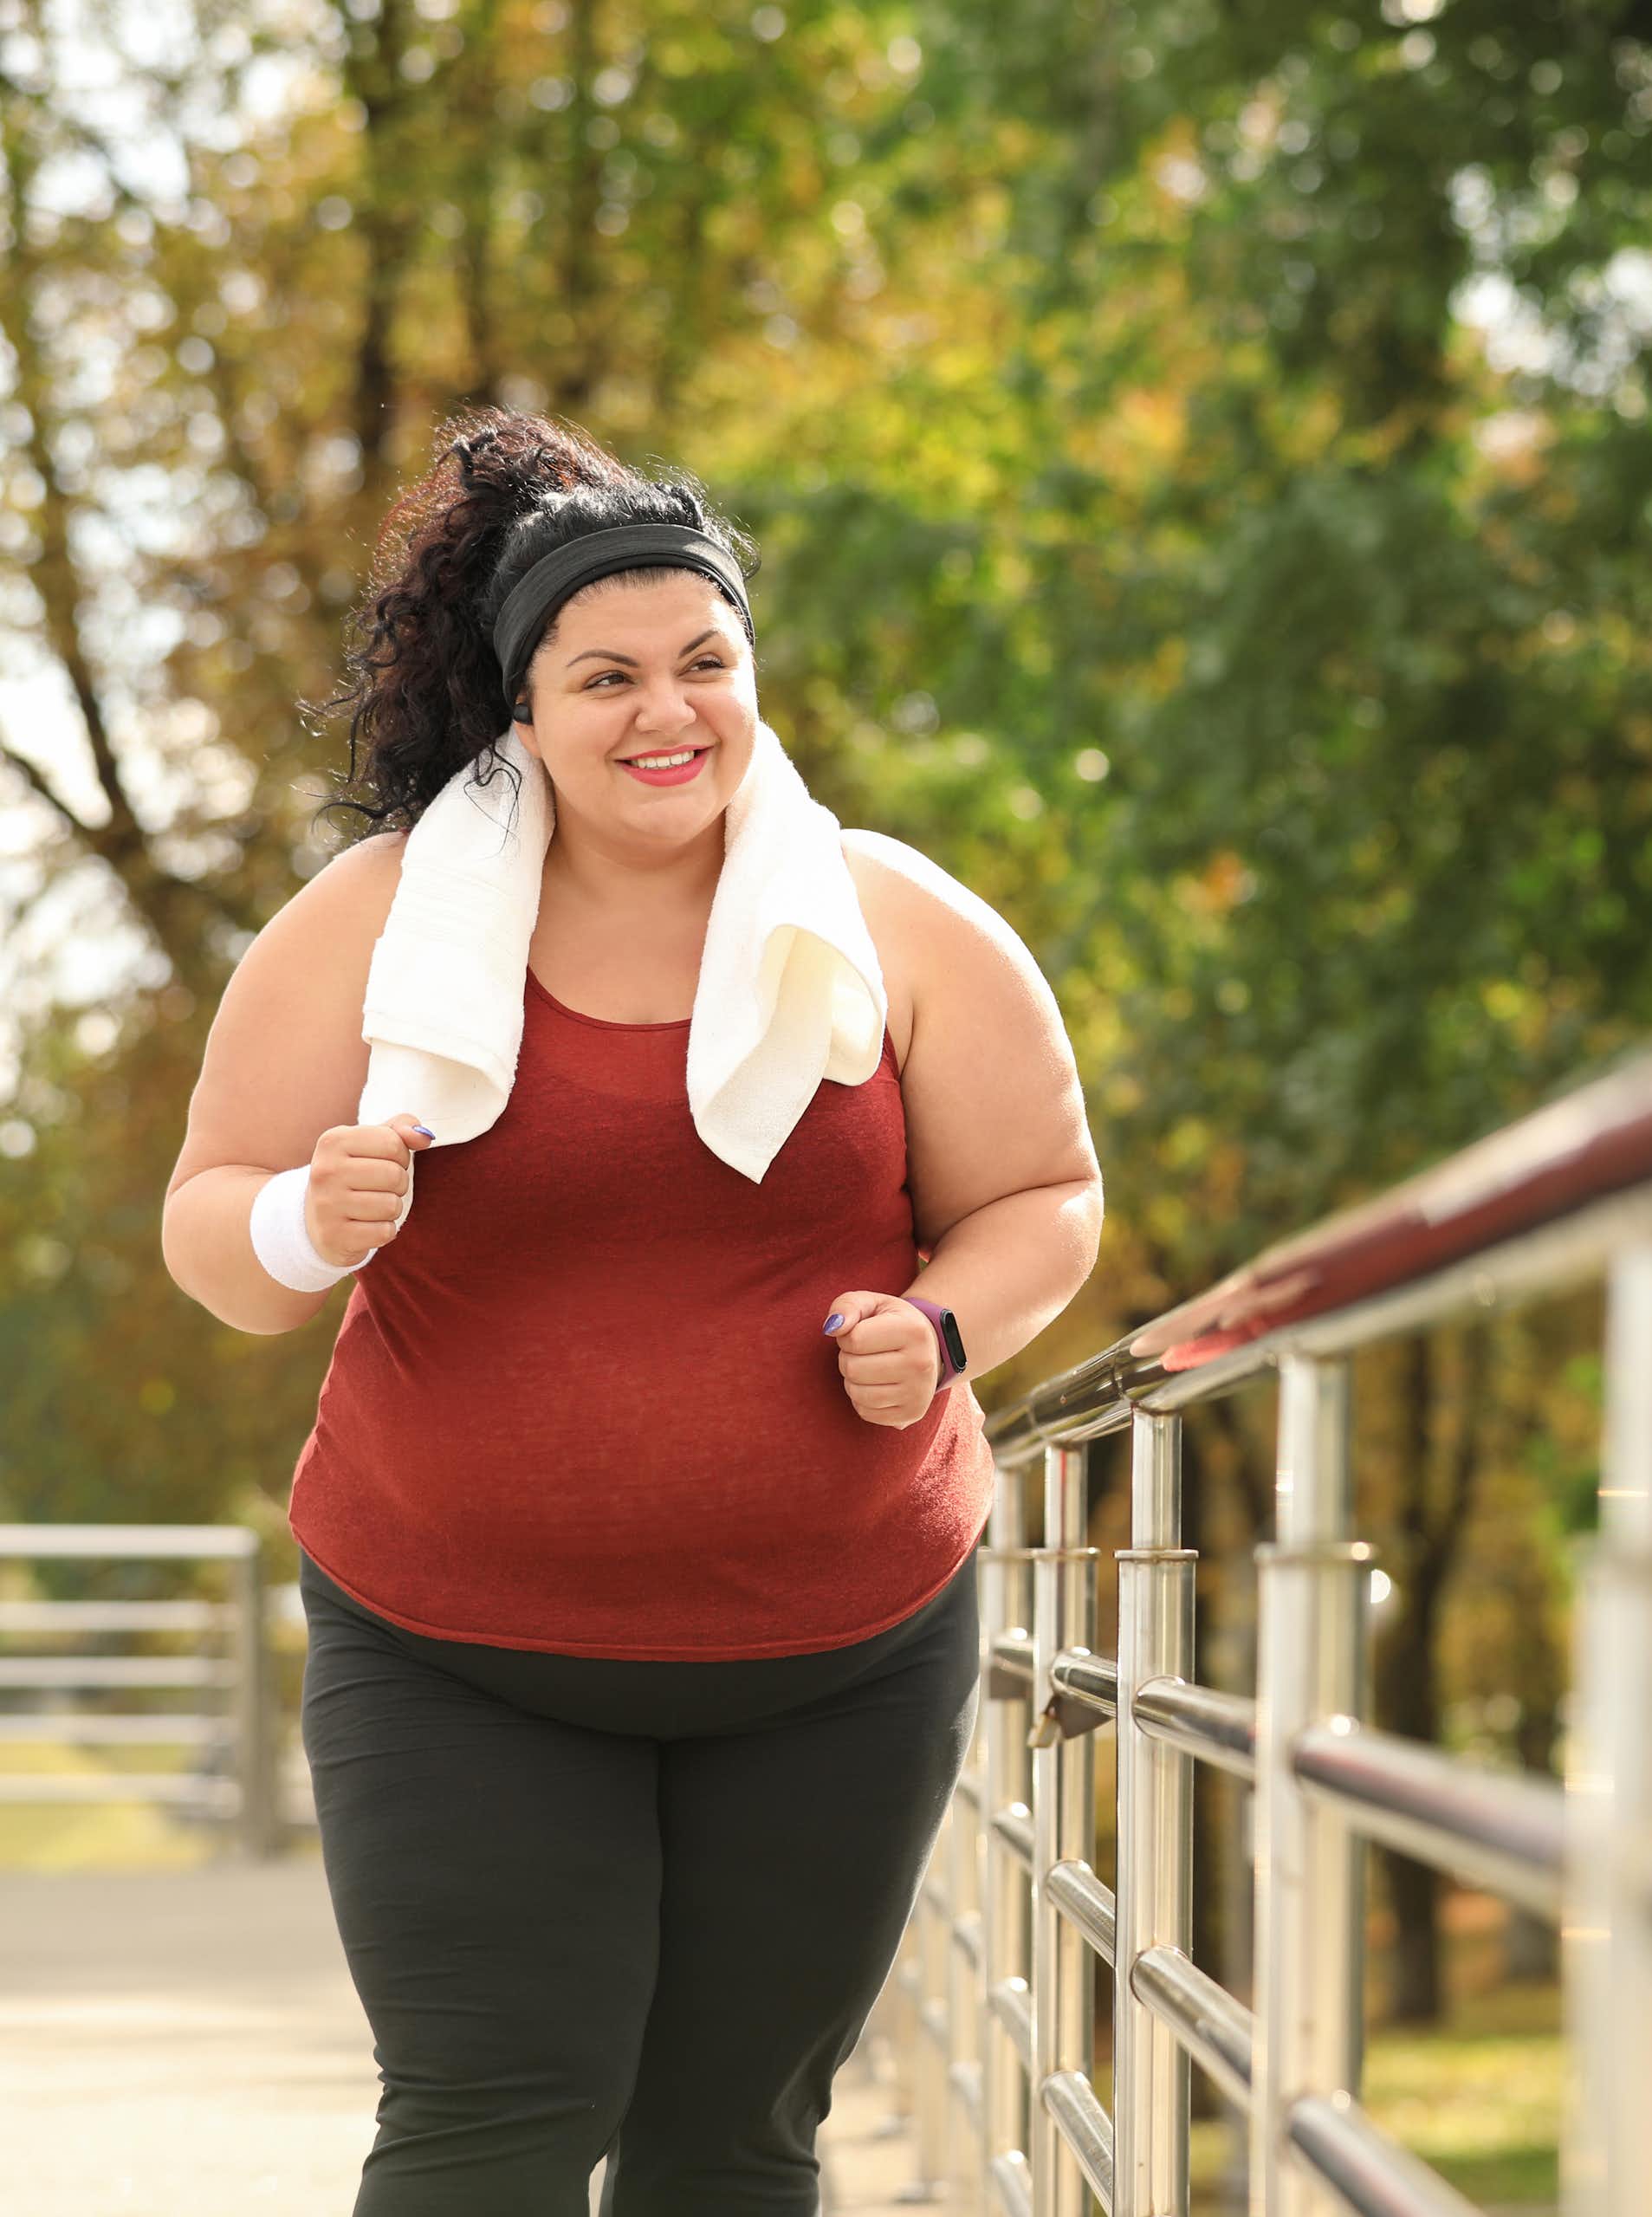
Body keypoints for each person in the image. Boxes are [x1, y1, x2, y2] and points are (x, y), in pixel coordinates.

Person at [159, 407, 1104, 2215]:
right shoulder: (375, 924)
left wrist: (948, 1324)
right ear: (520, 711)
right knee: (491, 2118)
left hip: (838, 1655)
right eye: (605, 676)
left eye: (704, 661)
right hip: (453, 1650)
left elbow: (1041, 1196)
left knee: (727, 2153)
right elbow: (214, 1236)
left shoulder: (894, 920)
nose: (666, 711)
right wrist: (305, 1209)